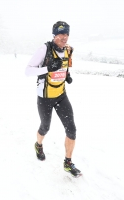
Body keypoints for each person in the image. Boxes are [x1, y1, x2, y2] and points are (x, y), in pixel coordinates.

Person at [25, 21, 81, 177]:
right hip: (45, 97)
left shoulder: (68, 50)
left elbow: (64, 66)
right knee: (45, 127)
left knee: (71, 129)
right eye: (61, 34)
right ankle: (38, 145)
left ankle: (68, 163)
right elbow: (28, 71)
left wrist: (67, 76)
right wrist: (48, 68)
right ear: (54, 35)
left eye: (66, 34)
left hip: (61, 95)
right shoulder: (45, 49)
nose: (64, 37)